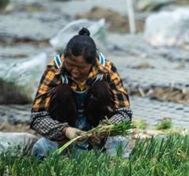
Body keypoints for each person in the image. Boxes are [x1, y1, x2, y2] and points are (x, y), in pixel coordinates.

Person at [30, 28, 132, 158]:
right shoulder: (54, 70)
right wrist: (65, 131)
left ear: (92, 63)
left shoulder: (106, 70)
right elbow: (37, 116)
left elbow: (124, 112)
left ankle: (99, 146)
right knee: (62, 91)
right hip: (65, 133)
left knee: (101, 89)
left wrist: (105, 129)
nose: (74, 72)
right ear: (64, 57)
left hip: (98, 132)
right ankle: (65, 148)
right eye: (70, 64)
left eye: (81, 68)